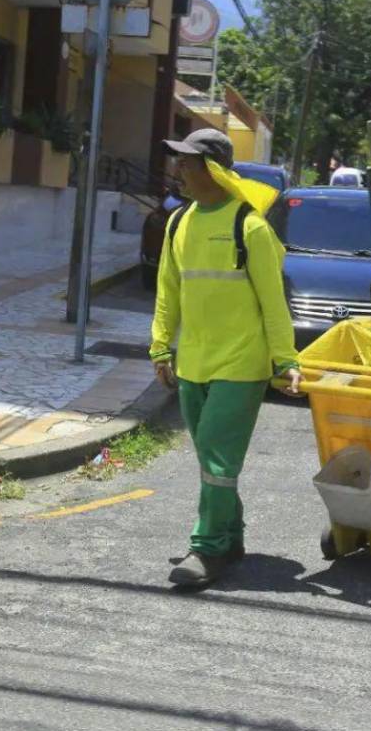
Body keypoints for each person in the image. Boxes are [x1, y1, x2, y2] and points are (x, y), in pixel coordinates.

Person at [149, 128, 304, 588]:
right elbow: (167, 291)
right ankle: (231, 537)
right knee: (211, 461)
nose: (178, 171)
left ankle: (207, 548)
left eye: (188, 163)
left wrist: (285, 360)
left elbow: (274, 304)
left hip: (241, 364)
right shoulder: (179, 223)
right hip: (194, 363)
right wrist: (160, 346)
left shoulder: (249, 227)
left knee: (217, 458)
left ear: (213, 169)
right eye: (177, 162)